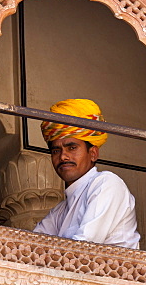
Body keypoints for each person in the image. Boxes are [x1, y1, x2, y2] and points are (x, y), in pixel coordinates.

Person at [33, 99, 140, 249]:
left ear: (93, 153)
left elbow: (84, 247)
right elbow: (32, 245)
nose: (63, 157)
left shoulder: (106, 184)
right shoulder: (60, 211)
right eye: (56, 151)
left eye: (72, 148)